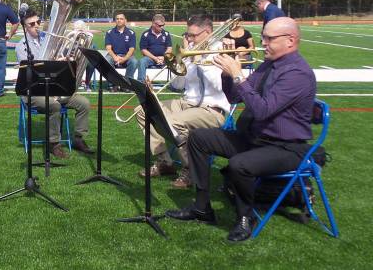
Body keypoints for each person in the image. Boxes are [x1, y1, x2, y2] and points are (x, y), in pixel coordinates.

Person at [165, 17, 316, 242]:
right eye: (263, 37)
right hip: (255, 138)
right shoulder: (268, 65)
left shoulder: (297, 73)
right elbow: (236, 96)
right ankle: (201, 207)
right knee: (198, 138)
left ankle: (246, 217)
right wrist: (227, 76)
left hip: (285, 147)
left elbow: (263, 110)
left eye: (269, 38)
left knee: (239, 165)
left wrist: (237, 74)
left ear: (290, 40)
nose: (263, 42)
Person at [134, 15, 231, 189]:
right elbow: (178, 85)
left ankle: (191, 169)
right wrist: (178, 65)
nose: (189, 39)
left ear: (208, 32)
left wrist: (200, 60)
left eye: (193, 35)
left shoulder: (220, 50)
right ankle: (165, 161)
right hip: (187, 102)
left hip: (211, 109)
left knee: (173, 122)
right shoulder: (191, 49)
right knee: (143, 109)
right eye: (188, 35)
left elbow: (220, 86)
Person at [16, 9, 94, 158]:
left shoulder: (48, 39)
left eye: (38, 22)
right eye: (32, 24)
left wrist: (65, 61)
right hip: (33, 91)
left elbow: (60, 60)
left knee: (84, 103)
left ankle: (78, 139)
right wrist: (53, 64)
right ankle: (53, 143)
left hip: (55, 87)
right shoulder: (22, 46)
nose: (36, 26)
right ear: (25, 27)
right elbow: (32, 70)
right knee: (54, 105)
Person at [104, 13, 138, 89]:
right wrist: (115, 57)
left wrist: (124, 58)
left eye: (121, 19)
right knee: (107, 60)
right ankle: (113, 84)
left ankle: (126, 84)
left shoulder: (131, 33)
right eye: (117, 19)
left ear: (125, 21)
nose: (119, 20)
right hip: (113, 55)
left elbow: (131, 49)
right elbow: (108, 48)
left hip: (127, 56)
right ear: (115, 21)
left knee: (134, 62)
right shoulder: (109, 32)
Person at [137, 14, 172, 82]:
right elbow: (143, 50)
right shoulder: (146, 34)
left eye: (163, 25)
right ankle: (141, 83)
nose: (162, 27)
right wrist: (155, 58)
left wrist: (164, 57)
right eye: (159, 25)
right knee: (142, 62)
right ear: (153, 24)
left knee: (175, 61)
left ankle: (174, 84)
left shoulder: (166, 34)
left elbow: (169, 48)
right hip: (150, 58)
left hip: (164, 58)